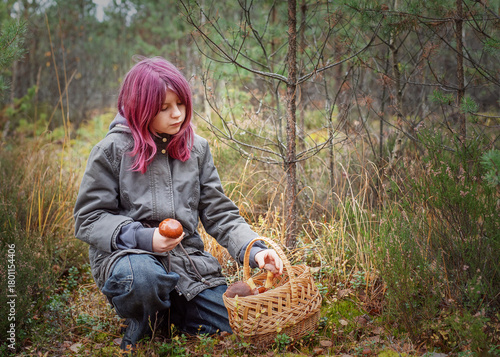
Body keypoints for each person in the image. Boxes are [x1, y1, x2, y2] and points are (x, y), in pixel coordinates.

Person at [73, 56, 283, 351]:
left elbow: (220, 213)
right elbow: (88, 218)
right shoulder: (111, 150)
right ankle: (143, 325)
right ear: (140, 108)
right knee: (144, 278)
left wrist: (256, 251)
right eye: (164, 108)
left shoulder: (196, 148)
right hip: (129, 262)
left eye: (181, 104)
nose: (178, 115)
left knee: (237, 322)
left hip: (188, 269)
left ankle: (178, 313)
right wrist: (145, 238)